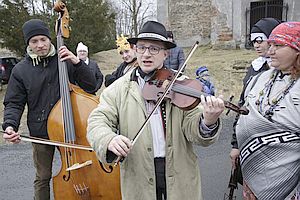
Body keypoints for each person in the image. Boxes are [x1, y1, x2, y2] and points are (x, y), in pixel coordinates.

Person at [87, 20, 225, 200]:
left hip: (179, 172)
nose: (146, 54)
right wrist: (108, 139)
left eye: (154, 49)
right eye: (142, 47)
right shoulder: (118, 89)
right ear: (135, 50)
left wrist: (208, 120)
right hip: (139, 172)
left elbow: (193, 129)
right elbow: (97, 120)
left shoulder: (180, 83)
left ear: (165, 54)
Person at [1, 19, 96, 200]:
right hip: (40, 131)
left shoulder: (65, 60)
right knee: (43, 177)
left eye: (43, 40)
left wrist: (77, 62)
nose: (40, 45)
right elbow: (14, 102)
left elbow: (91, 86)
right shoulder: (21, 70)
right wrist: (10, 125)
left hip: (71, 129)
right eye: (34, 41)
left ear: (50, 39)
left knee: (83, 170)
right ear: (28, 43)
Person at [236, 22, 300, 200]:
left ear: (297, 49)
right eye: (270, 45)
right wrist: (236, 147)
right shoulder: (259, 79)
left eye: (278, 46)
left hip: (288, 182)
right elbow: (243, 112)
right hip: (252, 172)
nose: (270, 51)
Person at [230, 18, 281, 170]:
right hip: (252, 138)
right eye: (253, 41)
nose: (256, 45)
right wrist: (236, 144)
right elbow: (243, 105)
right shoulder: (255, 67)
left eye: (260, 40)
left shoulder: (287, 70)